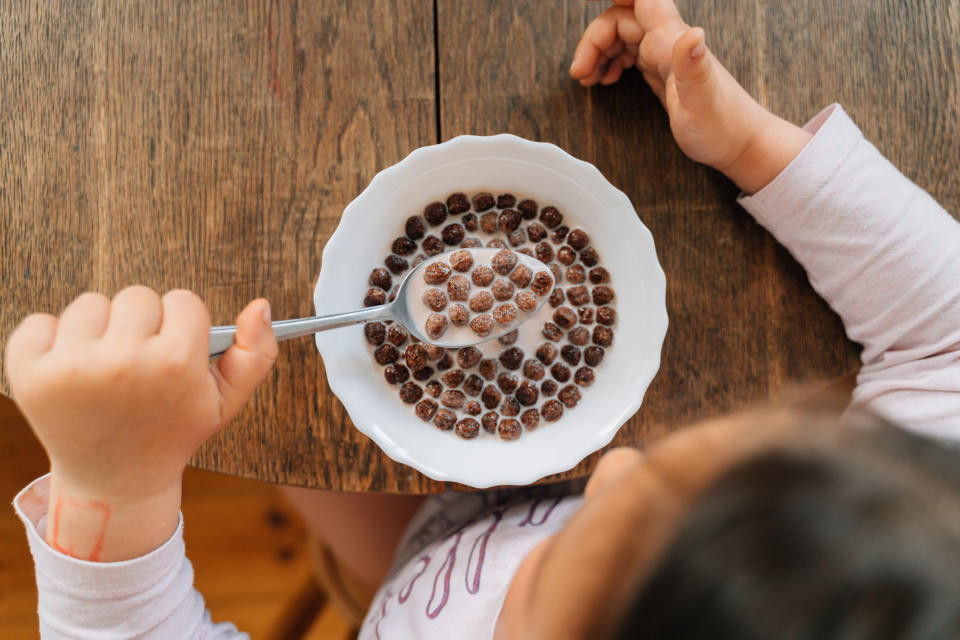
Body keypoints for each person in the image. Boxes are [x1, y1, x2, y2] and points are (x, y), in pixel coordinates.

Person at [6, 0, 960, 637]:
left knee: (265, 399)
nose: (613, 466)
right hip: (451, 538)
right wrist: (751, 143)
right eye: (707, 466)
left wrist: (113, 494)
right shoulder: (907, 537)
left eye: (570, 573)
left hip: (403, 584)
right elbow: (947, 339)